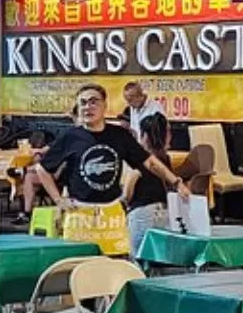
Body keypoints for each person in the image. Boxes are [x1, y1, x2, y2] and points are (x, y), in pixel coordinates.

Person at [31, 83, 188, 254]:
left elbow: (149, 162)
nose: (88, 107)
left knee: (116, 265)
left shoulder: (119, 135)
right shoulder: (70, 137)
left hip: (111, 215)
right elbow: (42, 169)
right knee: (79, 265)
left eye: (93, 101)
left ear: (105, 106)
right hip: (80, 215)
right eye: (83, 103)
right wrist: (58, 199)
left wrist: (176, 182)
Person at [123, 112, 172, 255]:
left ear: (143, 135)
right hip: (163, 212)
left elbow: (130, 183)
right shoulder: (165, 158)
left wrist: (124, 200)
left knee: (138, 259)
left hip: (142, 214)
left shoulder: (140, 158)